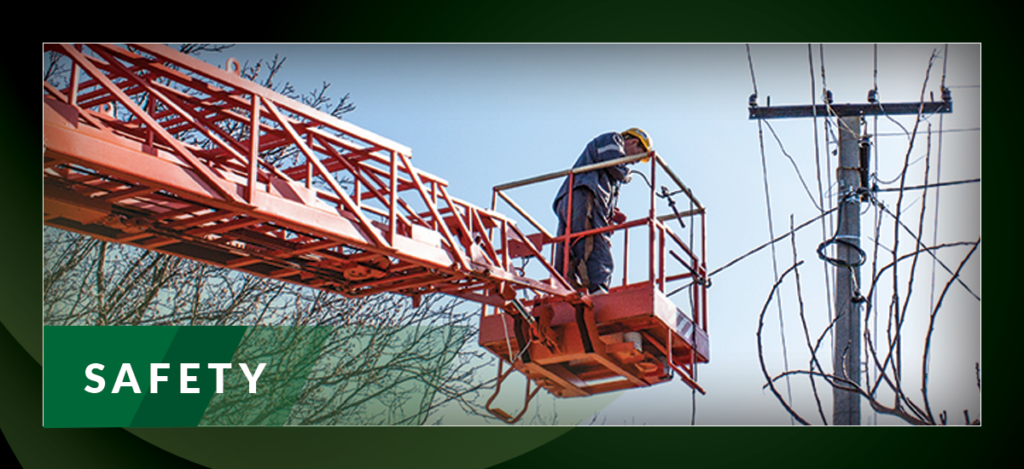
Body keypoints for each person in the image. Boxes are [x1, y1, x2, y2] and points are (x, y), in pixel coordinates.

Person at [552, 128, 652, 294]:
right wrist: (627, 175)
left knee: (568, 243)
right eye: (638, 156)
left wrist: (611, 213)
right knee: (596, 240)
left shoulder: (605, 165)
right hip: (584, 193)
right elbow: (614, 163)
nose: (634, 163)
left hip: (574, 196)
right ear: (634, 142)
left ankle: (562, 287)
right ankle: (598, 289)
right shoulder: (613, 139)